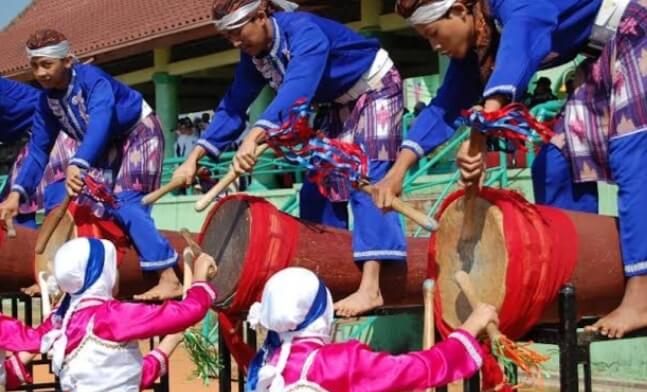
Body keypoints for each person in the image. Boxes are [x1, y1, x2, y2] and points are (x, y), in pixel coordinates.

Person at [373, 0, 645, 338]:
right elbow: (444, 106)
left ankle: (642, 294)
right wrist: (396, 173)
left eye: (433, 34)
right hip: (604, 54)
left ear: (459, 11)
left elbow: (523, 38)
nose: (435, 47)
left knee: (634, 155)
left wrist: (481, 129)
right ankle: (577, 289)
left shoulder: (511, 4)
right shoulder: (479, 44)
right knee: (556, 163)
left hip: (637, 29)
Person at [172, 0, 407, 317]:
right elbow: (233, 104)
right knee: (318, 187)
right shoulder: (255, 56)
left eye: (238, 33)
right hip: (335, 105)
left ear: (260, 16)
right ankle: (326, 279)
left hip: (376, 89)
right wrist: (196, 156)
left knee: (366, 177)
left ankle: (371, 288)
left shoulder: (304, 32)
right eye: (228, 37)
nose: (236, 43)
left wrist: (255, 137)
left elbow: (296, 91)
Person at [242, 267, 497, 392]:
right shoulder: (340, 362)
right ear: (321, 311)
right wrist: (471, 327)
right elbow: (419, 368)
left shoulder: (268, 365)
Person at [0, 237, 217, 392]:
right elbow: (188, 311)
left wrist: (171, 340)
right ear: (99, 274)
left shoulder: (64, 324)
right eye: (114, 267)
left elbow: (125, 380)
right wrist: (200, 278)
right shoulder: (109, 316)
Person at [2, 29, 183, 301]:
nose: (40, 73)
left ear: (67, 61)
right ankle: (57, 277)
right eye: (34, 66)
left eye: (46, 64)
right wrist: (17, 193)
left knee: (126, 202)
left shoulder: (94, 80)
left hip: (138, 134)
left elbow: (100, 120)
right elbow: (39, 150)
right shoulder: (46, 100)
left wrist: (79, 162)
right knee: (68, 199)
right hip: (101, 143)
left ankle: (169, 277)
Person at [0, 77, 77, 231]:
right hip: (28, 138)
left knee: (56, 191)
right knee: (12, 205)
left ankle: (62, 242)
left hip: (53, 129)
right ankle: (27, 246)